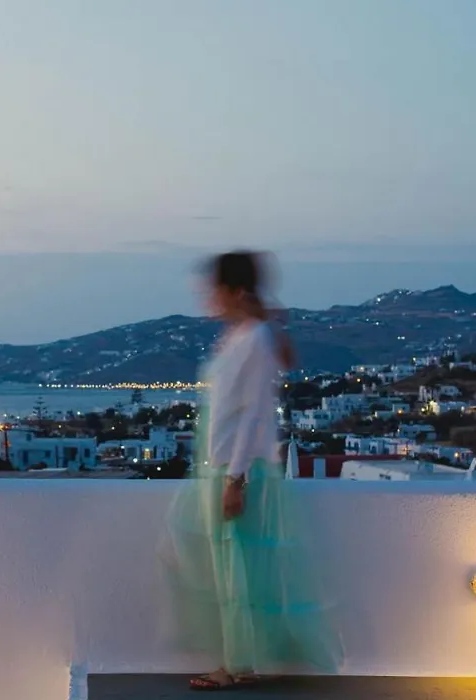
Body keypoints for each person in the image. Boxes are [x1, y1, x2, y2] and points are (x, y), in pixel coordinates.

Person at [157, 251, 342, 692]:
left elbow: (255, 414)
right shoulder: (240, 335)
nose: (208, 297)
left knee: (235, 573)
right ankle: (240, 660)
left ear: (235, 291)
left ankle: (239, 664)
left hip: (235, 470)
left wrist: (235, 479)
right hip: (219, 467)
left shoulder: (254, 338)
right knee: (219, 567)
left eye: (214, 288)